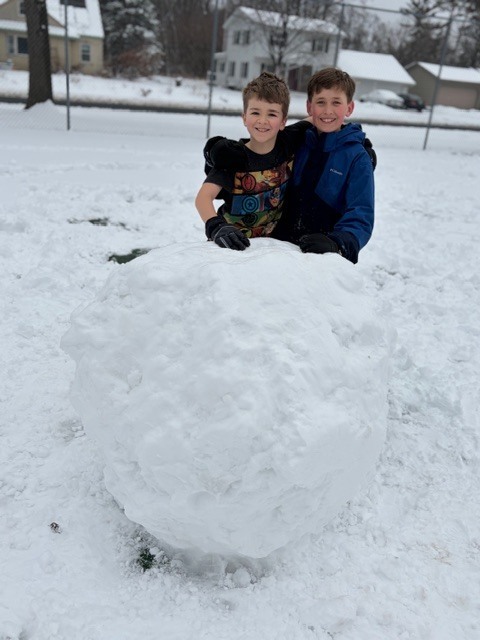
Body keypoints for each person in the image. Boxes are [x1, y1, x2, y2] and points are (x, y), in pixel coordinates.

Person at [205, 67, 376, 263]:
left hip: (320, 254)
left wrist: (338, 243)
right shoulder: (299, 141)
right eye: (320, 102)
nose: (328, 110)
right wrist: (214, 149)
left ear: (350, 108)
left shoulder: (357, 158)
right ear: (309, 107)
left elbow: (361, 214)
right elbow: (261, 143)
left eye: (336, 102)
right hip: (278, 247)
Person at [195, 72, 311, 250]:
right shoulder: (233, 157)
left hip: (269, 248)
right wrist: (216, 227)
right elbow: (203, 197)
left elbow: (321, 119)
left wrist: (359, 144)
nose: (262, 121)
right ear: (244, 117)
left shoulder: (288, 143)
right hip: (230, 246)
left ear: (283, 121)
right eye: (255, 112)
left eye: (272, 114)